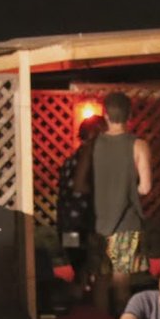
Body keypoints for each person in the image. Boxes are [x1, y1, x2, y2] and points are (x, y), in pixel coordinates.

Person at [91, 91, 153, 314]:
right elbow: (145, 187)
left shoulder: (93, 145)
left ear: (105, 115)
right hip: (126, 222)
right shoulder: (138, 145)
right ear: (130, 115)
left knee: (100, 281)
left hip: (97, 224)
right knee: (122, 286)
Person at [55, 113, 106, 289]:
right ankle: (84, 293)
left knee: (77, 263)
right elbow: (79, 187)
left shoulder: (72, 158)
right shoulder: (88, 152)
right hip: (81, 222)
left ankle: (80, 291)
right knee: (85, 264)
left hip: (67, 222)